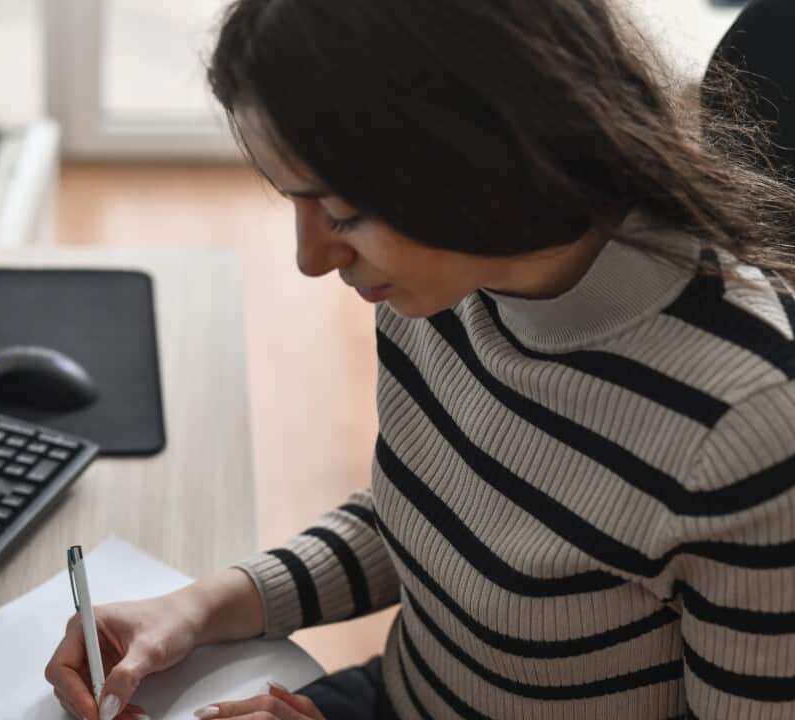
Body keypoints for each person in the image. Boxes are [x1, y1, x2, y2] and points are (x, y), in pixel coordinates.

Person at [44, 1, 795, 718]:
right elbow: (439, 513)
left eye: (342, 214)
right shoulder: (447, 281)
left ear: (481, 159)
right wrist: (198, 608)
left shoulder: (746, 423)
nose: (310, 258)